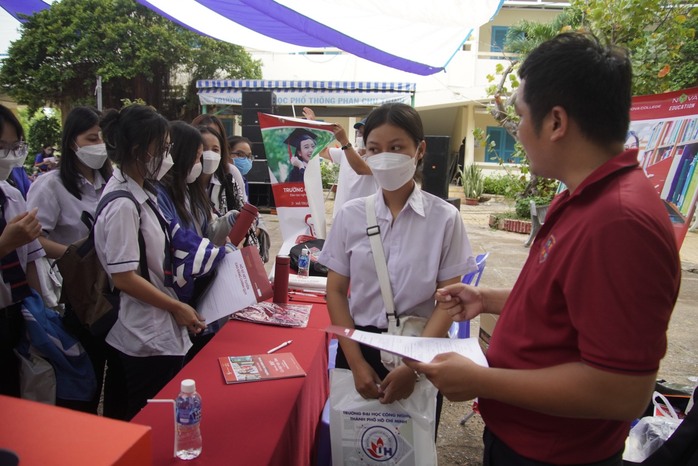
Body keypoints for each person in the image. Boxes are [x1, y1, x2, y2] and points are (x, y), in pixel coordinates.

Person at [405, 33, 681, 465]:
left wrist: (482, 380)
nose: (516, 132)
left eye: (519, 116)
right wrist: (490, 299)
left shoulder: (620, 221)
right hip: (523, 438)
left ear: (555, 122)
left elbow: (622, 390)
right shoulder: (581, 198)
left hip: (555, 454)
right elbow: (573, 305)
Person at [318, 103, 476, 431]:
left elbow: (448, 302)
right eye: (374, 149)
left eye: (396, 147)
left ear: (420, 150)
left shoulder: (445, 219)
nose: (384, 157)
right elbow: (335, 291)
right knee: (354, 449)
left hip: (418, 348)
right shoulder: (350, 215)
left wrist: (414, 367)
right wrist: (357, 363)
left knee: (411, 449)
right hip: (358, 348)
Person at [97, 105, 206, 421]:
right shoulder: (123, 204)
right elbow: (124, 278)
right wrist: (177, 308)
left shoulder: (145, 192)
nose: (168, 156)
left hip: (155, 328)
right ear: (138, 151)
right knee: (147, 421)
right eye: (162, 149)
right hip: (144, 335)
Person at [26, 106, 113, 413]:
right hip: (72, 293)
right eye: (91, 138)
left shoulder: (111, 183)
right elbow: (31, 236)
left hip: (109, 292)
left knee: (108, 371)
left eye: (103, 138)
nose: (99, 145)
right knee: (82, 376)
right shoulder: (51, 185)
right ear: (71, 142)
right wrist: (72, 255)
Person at [0, 104, 45, 397]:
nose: (10, 155)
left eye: (15, 146)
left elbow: (31, 257)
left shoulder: (12, 195)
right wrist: (5, 243)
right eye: (1, 146)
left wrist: (39, 313)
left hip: (15, 313)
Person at [302, 107, 377, 217]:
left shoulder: (377, 158)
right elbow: (322, 151)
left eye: (365, 133)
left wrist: (344, 141)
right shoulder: (345, 153)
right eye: (359, 132)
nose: (360, 136)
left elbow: (361, 169)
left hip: (365, 217)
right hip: (341, 215)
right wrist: (314, 126)